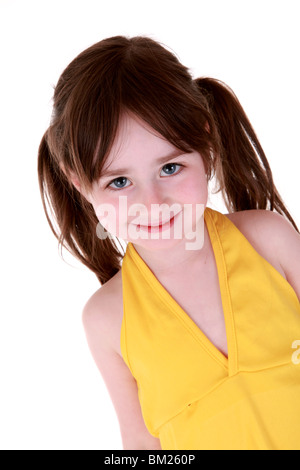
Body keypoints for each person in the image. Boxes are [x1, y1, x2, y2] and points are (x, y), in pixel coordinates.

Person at [37, 35, 300, 450]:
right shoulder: (107, 319)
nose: (152, 202)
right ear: (79, 183)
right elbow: (141, 444)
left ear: (205, 142)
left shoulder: (269, 240)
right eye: (120, 181)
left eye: (171, 167)